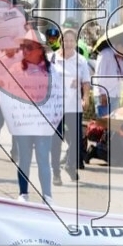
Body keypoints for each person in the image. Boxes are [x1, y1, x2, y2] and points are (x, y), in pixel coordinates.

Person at [8, 29, 55, 202]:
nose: (25, 50)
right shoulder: (15, 69)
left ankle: (47, 196)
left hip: (43, 124)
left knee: (43, 159)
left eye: (30, 47)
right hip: (24, 123)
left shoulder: (51, 71)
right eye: (23, 47)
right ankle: (23, 193)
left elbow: (57, 94)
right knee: (24, 159)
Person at [50, 28, 92, 184]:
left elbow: (86, 82)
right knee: (55, 141)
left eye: (71, 41)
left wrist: (86, 97)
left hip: (74, 107)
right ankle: (56, 173)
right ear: (61, 41)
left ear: (75, 43)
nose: (68, 44)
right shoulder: (52, 58)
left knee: (76, 140)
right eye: (65, 40)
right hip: (55, 108)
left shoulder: (81, 61)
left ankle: (69, 164)